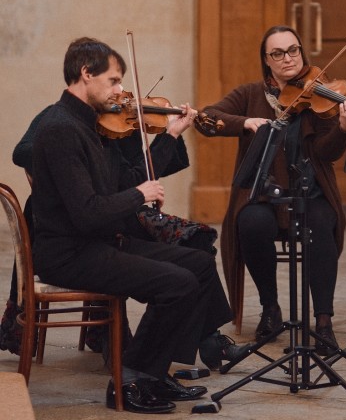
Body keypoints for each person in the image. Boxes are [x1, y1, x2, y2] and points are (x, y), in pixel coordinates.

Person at [29, 37, 243, 414]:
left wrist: (171, 134)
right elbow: (87, 211)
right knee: (177, 284)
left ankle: (154, 372)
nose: (120, 91)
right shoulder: (60, 128)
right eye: (113, 81)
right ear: (85, 74)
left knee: (197, 264)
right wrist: (140, 195)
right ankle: (130, 382)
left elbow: (126, 179)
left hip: (97, 241)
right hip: (69, 252)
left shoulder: (90, 124)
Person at [197, 24, 346, 356]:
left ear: (302, 52)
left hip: (309, 191)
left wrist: (344, 128)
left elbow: (328, 154)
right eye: (278, 53)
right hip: (263, 195)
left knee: (322, 225)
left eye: (293, 50)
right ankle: (270, 307)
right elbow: (207, 118)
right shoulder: (251, 94)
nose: (288, 58)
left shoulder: (320, 95)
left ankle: (324, 321)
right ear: (267, 61)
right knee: (251, 224)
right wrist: (244, 123)